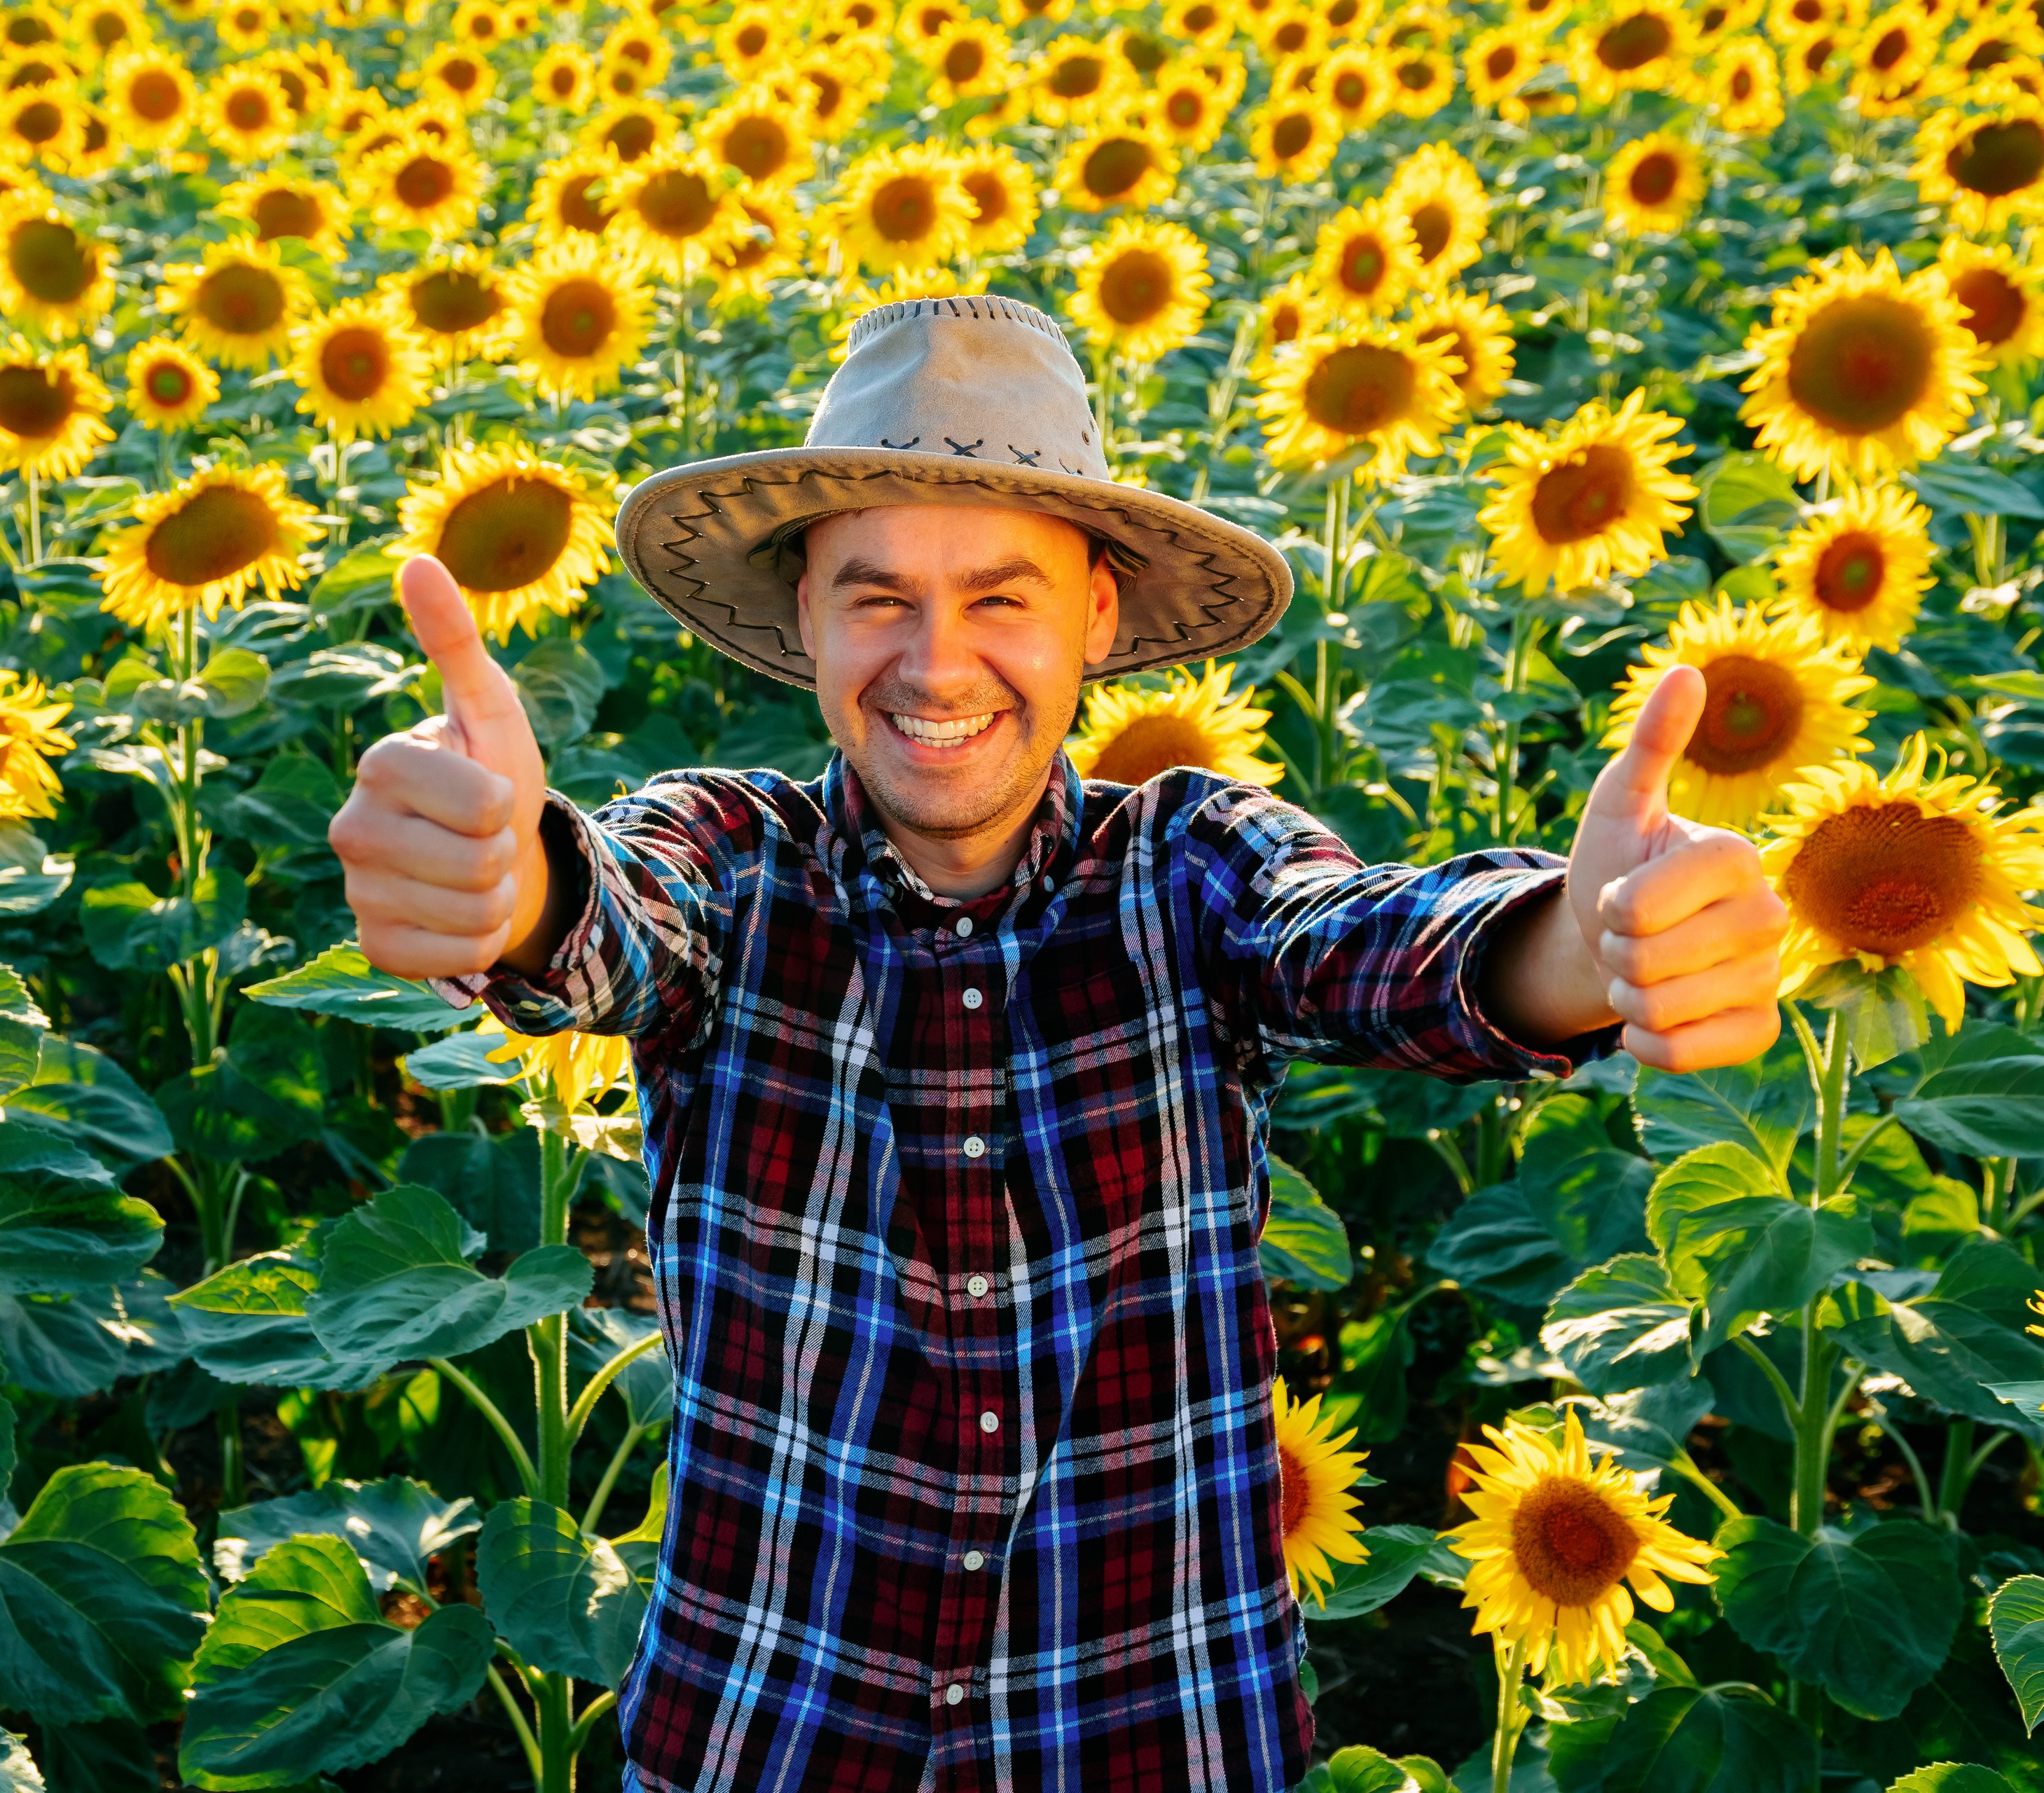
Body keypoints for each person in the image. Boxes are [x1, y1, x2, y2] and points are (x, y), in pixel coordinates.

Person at [329, 295, 1785, 1793]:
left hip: (1147, 1737)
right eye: (877, 595)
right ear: (807, 617)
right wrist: (506, 886)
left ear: (1099, 612)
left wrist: (1583, 943)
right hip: (776, 1733)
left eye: (1001, 597)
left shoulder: (1191, 868)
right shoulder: (736, 863)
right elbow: (608, 916)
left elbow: (1364, 944)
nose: (937, 662)